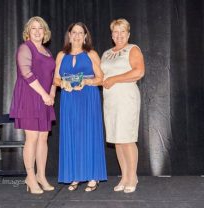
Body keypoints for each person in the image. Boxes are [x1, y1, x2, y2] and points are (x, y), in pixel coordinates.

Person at [53, 22, 107, 192]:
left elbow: (101, 78)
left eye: (80, 32)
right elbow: (55, 79)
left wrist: (86, 81)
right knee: (72, 134)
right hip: (69, 99)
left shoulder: (91, 54)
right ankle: (75, 175)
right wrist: (63, 84)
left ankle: (93, 176)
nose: (76, 35)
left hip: (88, 97)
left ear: (85, 36)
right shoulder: (61, 55)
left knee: (89, 133)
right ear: (69, 35)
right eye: (73, 32)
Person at [9, 16, 56, 194]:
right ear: (28, 32)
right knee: (33, 138)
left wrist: (51, 93)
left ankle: (41, 176)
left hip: (45, 99)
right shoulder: (25, 48)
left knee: (43, 138)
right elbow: (27, 73)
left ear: (45, 32)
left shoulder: (46, 51)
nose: (37, 31)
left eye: (40, 28)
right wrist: (44, 94)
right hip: (29, 96)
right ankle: (30, 176)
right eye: (33, 28)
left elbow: (52, 76)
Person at [100, 18, 145, 193]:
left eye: (122, 32)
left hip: (127, 98)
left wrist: (114, 79)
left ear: (128, 34)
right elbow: (101, 77)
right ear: (112, 35)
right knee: (117, 140)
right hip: (110, 100)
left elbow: (139, 71)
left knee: (127, 138)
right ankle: (124, 176)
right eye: (115, 32)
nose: (119, 35)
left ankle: (132, 177)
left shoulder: (132, 49)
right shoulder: (106, 53)